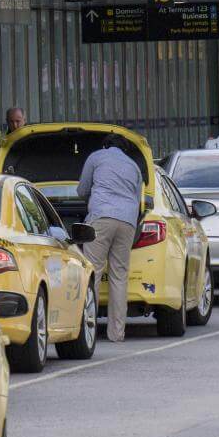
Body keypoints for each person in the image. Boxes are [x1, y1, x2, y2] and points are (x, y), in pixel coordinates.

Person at [77, 134, 142, 343]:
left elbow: (82, 190)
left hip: (101, 218)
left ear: (105, 145)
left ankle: (89, 331)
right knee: (119, 276)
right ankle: (117, 333)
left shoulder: (96, 157)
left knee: (92, 272)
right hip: (128, 222)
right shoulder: (134, 166)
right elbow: (138, 198)